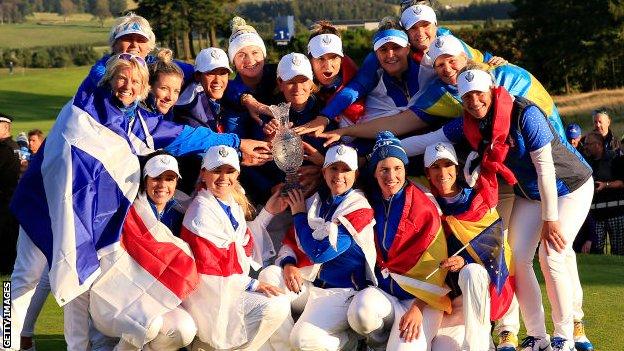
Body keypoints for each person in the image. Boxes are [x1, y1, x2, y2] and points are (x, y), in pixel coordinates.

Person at [6, 53, 269, 350]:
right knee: (25, 277)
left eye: (136, 81)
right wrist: (144, 51)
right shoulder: (90, 96)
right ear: (110, 78)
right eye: (122, 78)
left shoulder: (144, 125)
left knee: (79, 279)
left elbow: (190, 136)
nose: (127, 86)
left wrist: (236, 142)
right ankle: (9, 342)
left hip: (85, 213)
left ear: (144, 87)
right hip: (41, 201)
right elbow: (104, 64)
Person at [455, 68, 594, 351]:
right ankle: (537, 336)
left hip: (570, 186)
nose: (474, 101)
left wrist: (550, 220)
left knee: (551, 254)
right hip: (532, 194)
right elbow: (427, 137)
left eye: (478, 93)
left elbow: (546, 171)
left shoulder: (524, 113)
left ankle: (564, 336)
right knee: (516, 258)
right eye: (467, 96)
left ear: (492, 90)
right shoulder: (473, 123)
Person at [296, 1, 504, 137]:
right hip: (416, 133)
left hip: (453, 126)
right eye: (413, 27)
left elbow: (473, 58)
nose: (421, 33)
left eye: (425, 25)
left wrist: (491, 62)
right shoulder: (376, 61)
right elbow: (358, 87)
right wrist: (325, 116)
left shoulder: (442, 45)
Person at [259, 144, 376, 350]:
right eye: (334, 168)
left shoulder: (360, 208)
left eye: (346, 169)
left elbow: (320, 253)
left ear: (355, 175)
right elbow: (290, 242)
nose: (339, 175)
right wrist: (288, 263)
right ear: (324, 171)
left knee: (303, 340)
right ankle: (285, 347)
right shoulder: (317, 201)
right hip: (311, 286)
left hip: (342, 292)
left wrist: (298, 214)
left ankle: (349, 341)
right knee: (270, 275)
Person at [346, 131, 450, 351]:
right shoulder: (367, 201)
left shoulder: (424, 208)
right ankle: (376, 344)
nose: (391, 176)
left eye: (397, 168)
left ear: (405, 170)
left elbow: (438, 268)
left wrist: (418, 308)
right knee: (360, 312)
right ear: (374, 173)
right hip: (385, 292)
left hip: (421, 299)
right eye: (384, 169)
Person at [180, 145, 290, 351]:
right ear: (204, 174)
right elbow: (212, 267)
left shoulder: (228, 203)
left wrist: (268, 212)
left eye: (229, 171)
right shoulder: (201, 211)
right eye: (216, 170)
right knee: (275, 306)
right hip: (208, 295)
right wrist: (253, 285)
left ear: (237, 174)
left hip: (228, 287)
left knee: (275, 304)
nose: (223, 177)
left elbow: (243, 246)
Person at [89, 151, 198, 350]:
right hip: (117, 297)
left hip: (153, 297)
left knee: (185, 329)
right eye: (156, 178)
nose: (163, 185)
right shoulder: (126, 212)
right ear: (145, 180)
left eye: (170, 178)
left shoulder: (178, 211)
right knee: (148, 324)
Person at [422, 142, 514, 351]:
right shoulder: (425, 204)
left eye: (448, 165)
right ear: (427, 172)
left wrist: (466, 261)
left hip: (474, 293)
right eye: (435, 167)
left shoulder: (478, 202)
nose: (443, 172)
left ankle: (480, 345)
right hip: (442, 299)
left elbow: (496, 254)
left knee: (472, 272)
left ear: (456, 168)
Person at [172, 47, 235, 194]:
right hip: (191, 188)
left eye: (223, 73)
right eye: (210, 73)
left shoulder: (215, 99)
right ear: (197, 77)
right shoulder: (191, 105)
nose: (218, 80)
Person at [223, 16, 277, 140]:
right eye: (241, 55)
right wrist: (247, 99)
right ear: (233, 62)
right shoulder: (229, 93)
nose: (250, 60)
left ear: (263, 55)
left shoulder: (280, 76)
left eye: (255, 53)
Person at [582, 131, 624, 255]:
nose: (585, 147)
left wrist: (606, 185)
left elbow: (622, 182)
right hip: (596, 215)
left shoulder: (614, 159)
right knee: (595, 251)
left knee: (619, 252)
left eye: (588, 144)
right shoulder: (585, 161)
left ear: (598, 145)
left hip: (616, 213)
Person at [0, 112, 20, 275]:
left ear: (6, 127)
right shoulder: (14, 146)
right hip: (11, 197)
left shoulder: (5, 149)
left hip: (4, 197)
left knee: (5, 234)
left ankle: (5, 268)